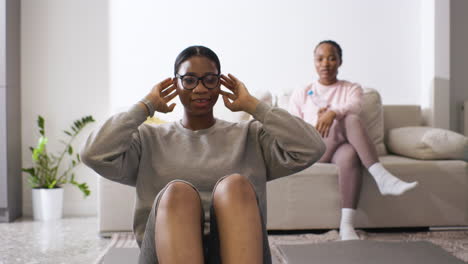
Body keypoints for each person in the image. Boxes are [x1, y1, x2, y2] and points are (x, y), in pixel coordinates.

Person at [81, 45, 326, 264]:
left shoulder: (250, 136)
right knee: (178, 192)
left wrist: (253, 105)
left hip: (241, 252)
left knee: (235, 186)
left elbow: (312, 148)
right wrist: (145, 106)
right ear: (175, 85)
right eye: (189, 80)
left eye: (209, 79)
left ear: (220, 84)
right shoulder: (148, 139)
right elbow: (93, 154)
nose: (200, 88)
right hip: (164, 253)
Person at [288, 40, 418, 241]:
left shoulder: (352, 88)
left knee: (350, 153)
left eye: (332, 58)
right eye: (320, 59)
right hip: (313, 147)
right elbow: (293, 126)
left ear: (340, 61)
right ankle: (381, 175)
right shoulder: (303, 91)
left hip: (339, 148)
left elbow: (355, 106)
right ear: (314, 62)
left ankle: (347, 226)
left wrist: (332, 113)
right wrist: (318, 120)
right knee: (349, 119)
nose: (325, 63)